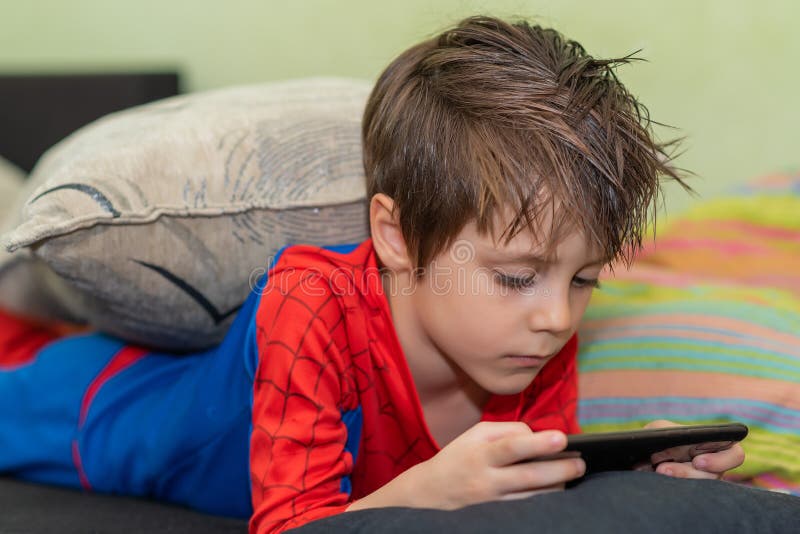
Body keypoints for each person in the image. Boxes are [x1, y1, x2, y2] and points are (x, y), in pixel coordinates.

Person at [0, 15, 745, 534]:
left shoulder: (528, 337)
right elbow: (291, 525)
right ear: (393, 234)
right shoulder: (313, 300)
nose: (557, 315)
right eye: (518, 277)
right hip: (102, 413)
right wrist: (431, 492)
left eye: (584, 281)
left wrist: (635, 474)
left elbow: (532, 494)